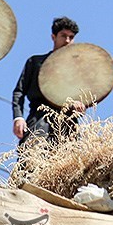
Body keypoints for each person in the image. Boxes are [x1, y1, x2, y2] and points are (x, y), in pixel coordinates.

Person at [11, 16, 85, 147]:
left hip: (68, 123)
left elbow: (86, 94)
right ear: (53, 37)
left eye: (71, 37)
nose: (67, 41)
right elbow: (19, 92)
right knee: (31, 161)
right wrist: (18, 117)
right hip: (39, 118)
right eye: (63, 35)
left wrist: (80, 103)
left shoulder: (77, 69)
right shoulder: (35, 62)